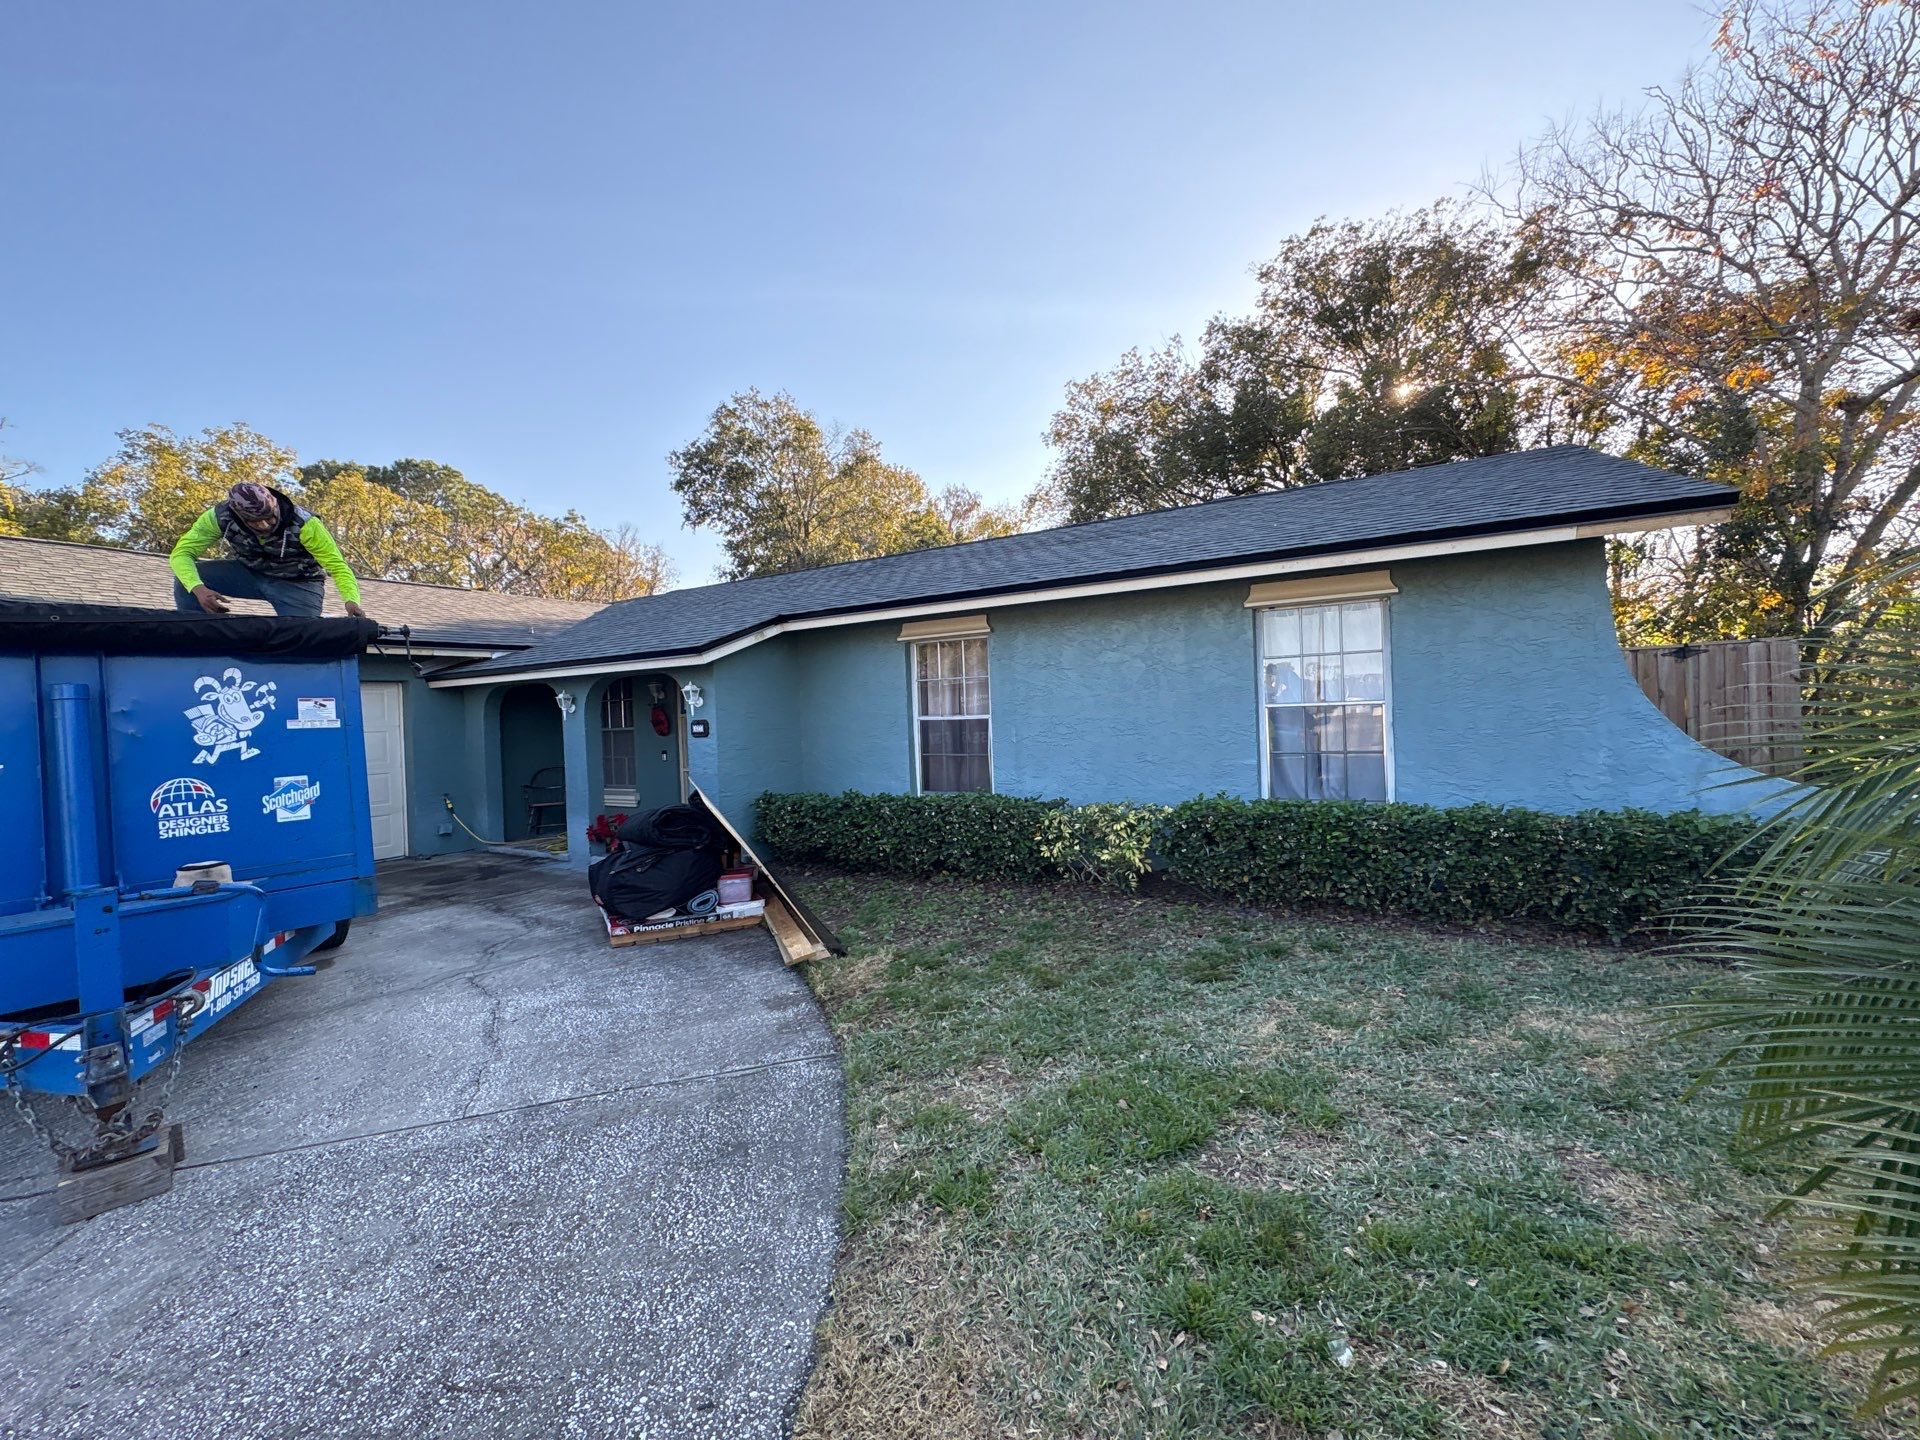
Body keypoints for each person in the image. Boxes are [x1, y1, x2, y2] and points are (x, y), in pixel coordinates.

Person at [169, 482, 371, 620]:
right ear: (238, 516)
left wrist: (351, 600)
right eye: (255, 521)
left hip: (299, 584)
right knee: (187, 579)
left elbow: (338, 566)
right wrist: (198, 589)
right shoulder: (218, 517)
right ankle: (199, 633)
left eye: (269, 517)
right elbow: (181, 554)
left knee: (302, 635)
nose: (265, 525)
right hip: (248, 573)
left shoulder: (305, 523)